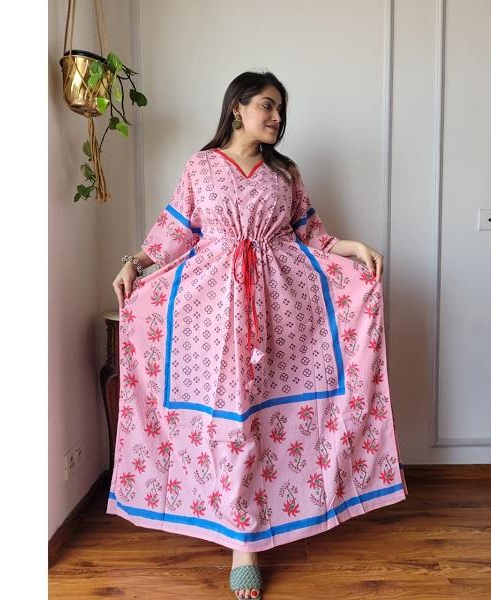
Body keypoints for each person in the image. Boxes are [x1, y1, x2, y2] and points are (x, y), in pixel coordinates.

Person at [109, 71, 408, 599]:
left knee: (266, 418)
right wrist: (134, 262)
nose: (276, 117)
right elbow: (176, 232)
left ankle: (267, 521)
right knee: (230, 420)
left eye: (280, 110)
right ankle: (241, 543)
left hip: (283, 306)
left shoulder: (285, 172)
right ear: (237, 108)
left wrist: (353, 249)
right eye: (267, 106)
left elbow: (311, 234)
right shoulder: (201, 166)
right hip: (212, 310)